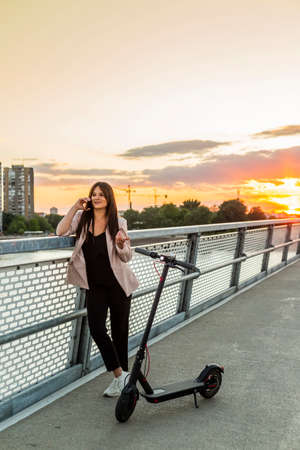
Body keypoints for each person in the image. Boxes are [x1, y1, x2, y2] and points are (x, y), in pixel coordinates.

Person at [56, 181, 139, 397]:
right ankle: (121, 376)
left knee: (120, 333)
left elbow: (127, 256)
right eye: (94, 194)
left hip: (118, 285)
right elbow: (60, 231)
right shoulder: (81, 219)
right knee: (97, 330)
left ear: (109, 198)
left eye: (101, 194)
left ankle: (120, 380)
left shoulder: (118, 221)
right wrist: (75, 206)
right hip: (95, 287)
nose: (97, 197)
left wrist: (121, 244)